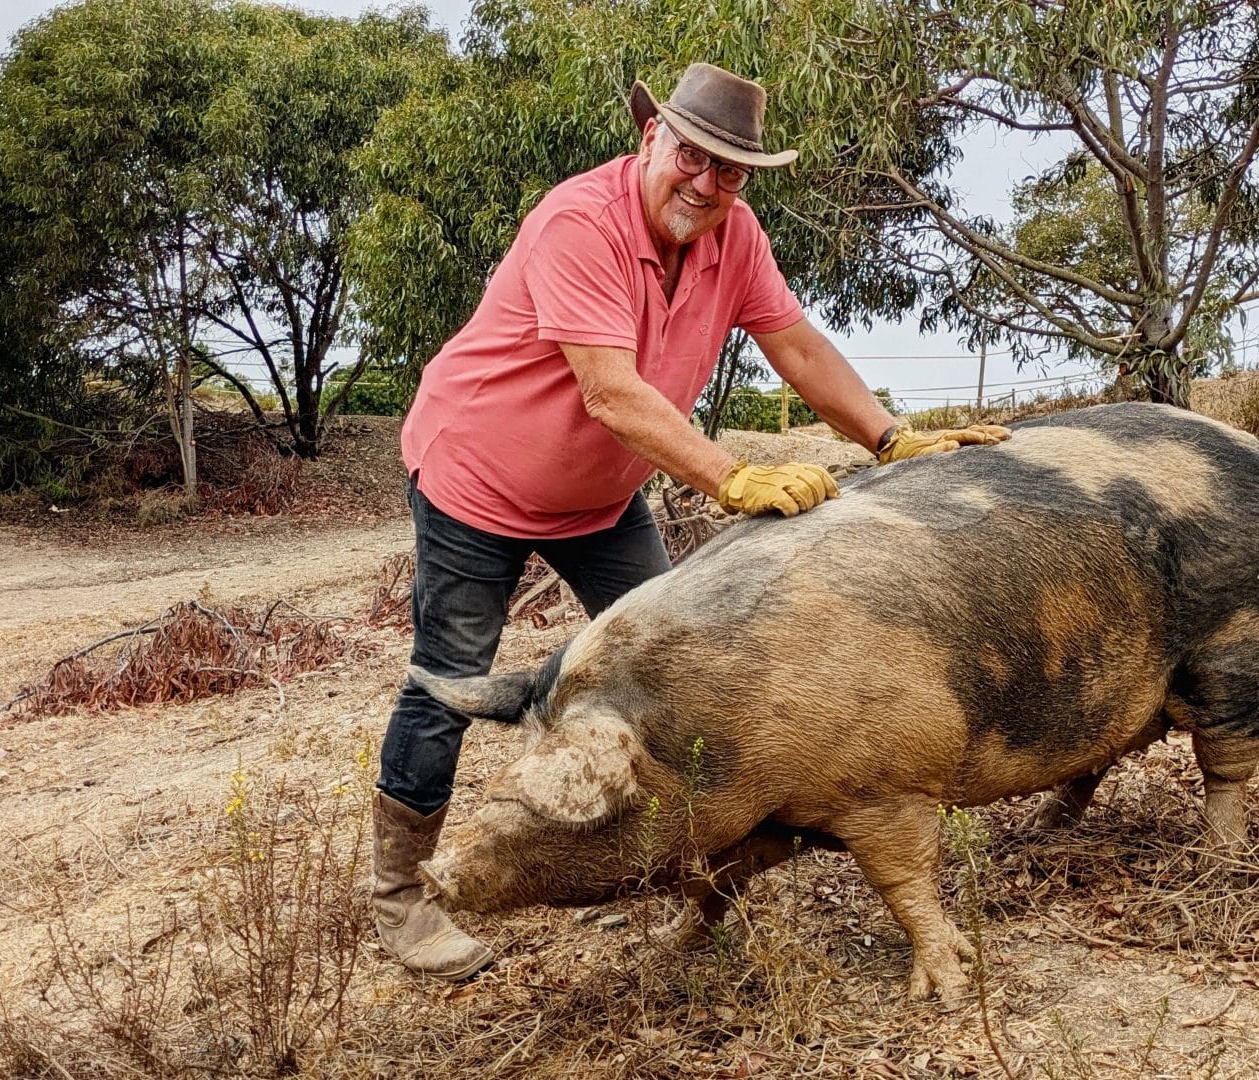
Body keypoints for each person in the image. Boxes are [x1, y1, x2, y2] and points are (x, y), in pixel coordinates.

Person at [372, 62, 1008, 978]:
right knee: (450, 680)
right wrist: (732, 476)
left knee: (687, 669)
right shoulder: (577, 223)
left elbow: (793, 341)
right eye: (691, 157)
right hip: (479, 480)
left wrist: (888, 436)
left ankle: (699, 866)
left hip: (598, 498)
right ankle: (403, 896)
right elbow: (612, 391)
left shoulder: (734, 236)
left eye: (730, 171)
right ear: (650, 140)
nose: (706, 185)